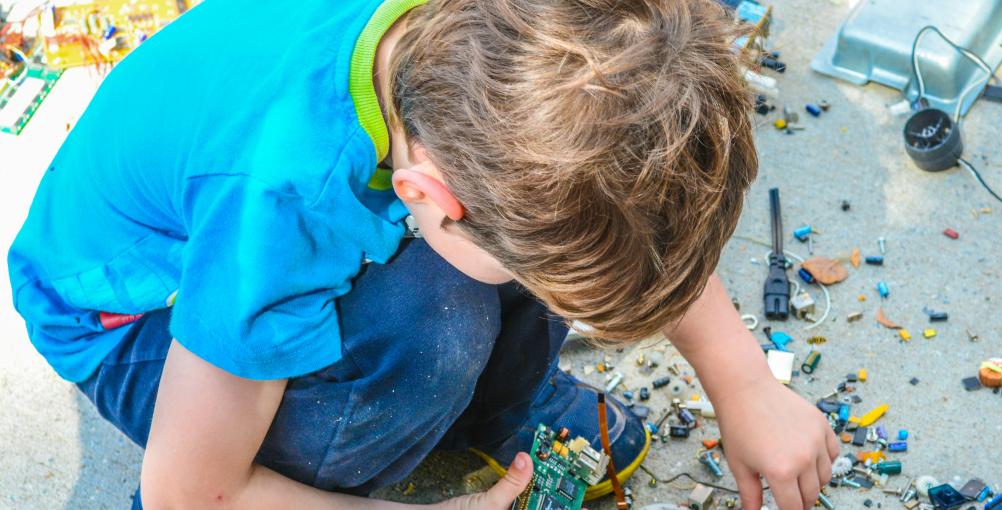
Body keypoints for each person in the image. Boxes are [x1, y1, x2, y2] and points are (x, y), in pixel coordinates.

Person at [8, 0, 838, 509]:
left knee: (524, 251)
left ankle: (492, 410)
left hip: (262, 220)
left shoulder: (505, 38)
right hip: (136, 323)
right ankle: (332, 468)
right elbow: (188, 493)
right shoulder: (283, 202)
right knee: (436, 326)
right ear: (425, 197)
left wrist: (743, 384)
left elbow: (625, 188)